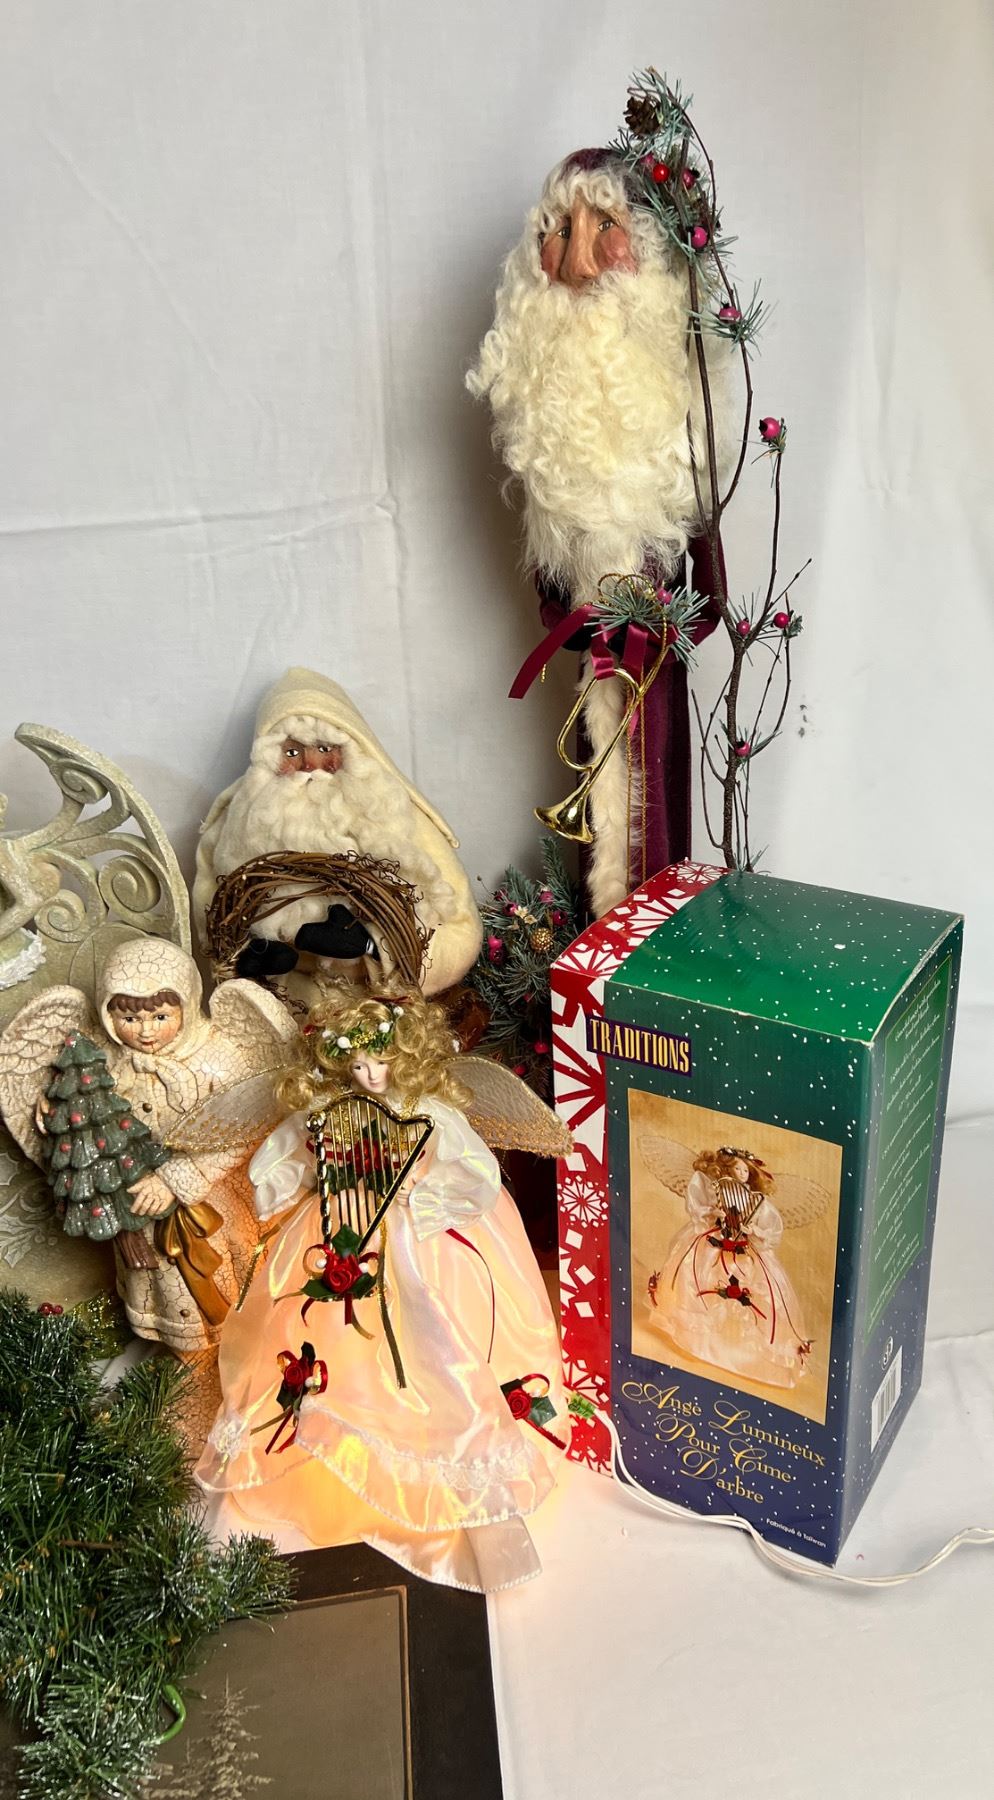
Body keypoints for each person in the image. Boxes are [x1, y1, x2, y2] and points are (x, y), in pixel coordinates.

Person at [196, 990, 567, 1592]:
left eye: (380, 1062)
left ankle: (459, 1469)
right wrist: (291, 1188)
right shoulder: (327, 1110)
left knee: (437, 1335)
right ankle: (333, 1450)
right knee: (325, 1335)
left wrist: (428, 1202)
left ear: (405, 1056)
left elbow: (473, 1169)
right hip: (341, 1228)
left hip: (421, 1237)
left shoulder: (427, 1110)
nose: (369, 1076)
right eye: (357, 1065)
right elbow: (282, 1160)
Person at [468, 148, 735, 915]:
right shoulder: (550, 417)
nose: (580, 263)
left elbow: (710, 583)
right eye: (559, 232)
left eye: (605, 228)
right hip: (595, 654)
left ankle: (649, 934)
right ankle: (599, 935)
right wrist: (573, 622)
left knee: (653, 790)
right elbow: (549, 575)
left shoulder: (678, 411)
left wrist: (667, 630)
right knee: (594, 772)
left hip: (652, 657)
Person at [193, 668, 482, 995]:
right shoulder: (240, 819)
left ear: (352, 751)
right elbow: (213, 913)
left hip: (376, 1003)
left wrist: (372, 946)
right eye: (292, 752)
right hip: (279, 1003)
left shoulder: (392, 814)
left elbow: (459, 931)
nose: (309, 766)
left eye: (324, 748)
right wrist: (246, 959)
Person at [648, 1146, 811, 1387]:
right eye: (738, 1169)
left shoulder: (757, 1201)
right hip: (714, 1241)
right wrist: (714, 1212)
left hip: (744, 1248)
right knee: (698, 1275)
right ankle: (700, 1340)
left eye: (746, 1171)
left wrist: (752, 1230)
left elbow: (770, 1231)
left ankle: (743, 1355)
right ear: (727, 1169)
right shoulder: (717, 1189)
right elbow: (699, 1210)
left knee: (756, 1290)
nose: (742, 1174)